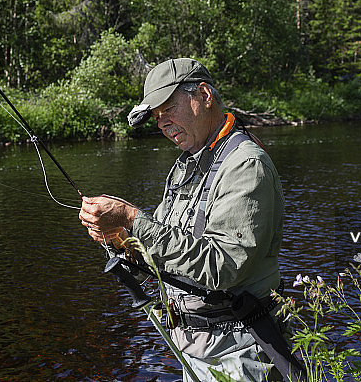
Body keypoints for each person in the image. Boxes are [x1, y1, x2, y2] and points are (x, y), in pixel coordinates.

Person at [79, 58, 301, 382]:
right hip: (193, 350)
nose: (162, 123)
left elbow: (221, 267)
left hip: (238, 352)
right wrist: (120, 237)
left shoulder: (245, 166)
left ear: (204, 95)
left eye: (168, 109)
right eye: (156, 117)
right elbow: (170, 247)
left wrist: (132, 218)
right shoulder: (187, 164)